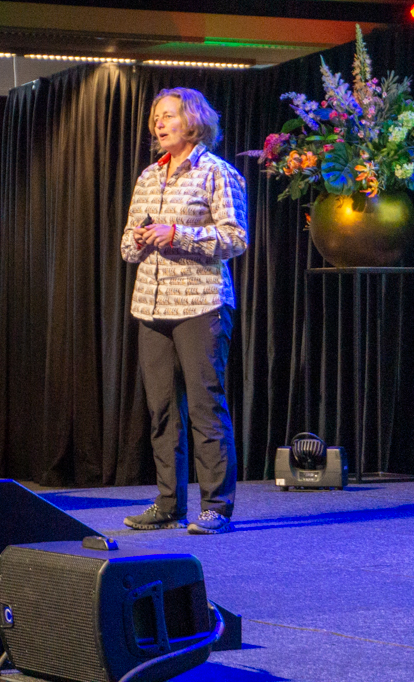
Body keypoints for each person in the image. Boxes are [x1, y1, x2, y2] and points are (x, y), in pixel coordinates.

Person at [120, 87, 248, 535]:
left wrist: (178, 234)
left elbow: (236, 238)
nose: (159, 122)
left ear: (193, 121)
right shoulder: (148, 177)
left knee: (205, 407)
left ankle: (216, 507)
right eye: (156, 116)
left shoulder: (217, 172)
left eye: (169, 115)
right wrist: (139, 240)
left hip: (201, 305)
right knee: (161, 411)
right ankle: (168, 504)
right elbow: (126, 246)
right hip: (151, 307)